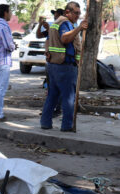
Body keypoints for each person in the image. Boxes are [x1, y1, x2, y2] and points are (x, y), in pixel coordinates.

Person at [41, 1, 88, 131]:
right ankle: (67, 126)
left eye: (79, 13)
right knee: (68, 97)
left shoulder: (55, 23)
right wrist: (79, 28)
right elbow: (65, 39)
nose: (78, 16)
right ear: (67, 12)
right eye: (76, 13)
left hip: (53, 65)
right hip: (65, 66)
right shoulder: (65, 23)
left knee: (52, 95)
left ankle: (45, 122)